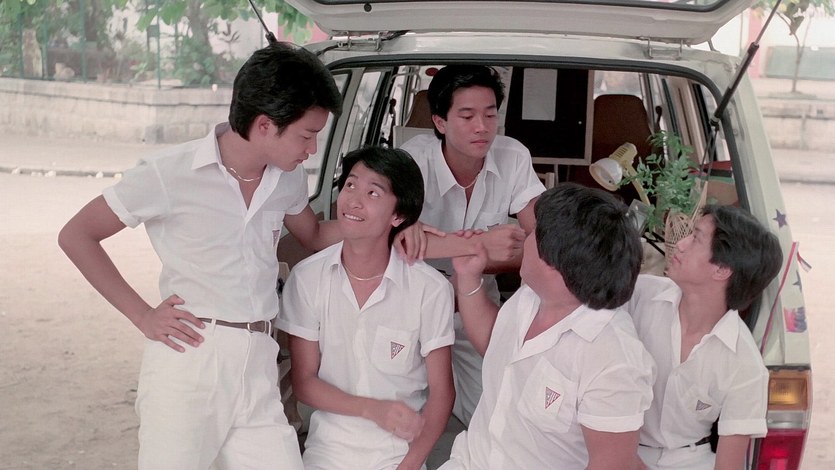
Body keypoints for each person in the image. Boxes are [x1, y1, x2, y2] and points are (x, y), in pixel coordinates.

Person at [58, 42, 344, 470]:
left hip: (259, 361)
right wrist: (142, 315)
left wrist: (391, 225)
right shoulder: (169, 172)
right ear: (265, 125)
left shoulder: (287, 179)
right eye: (306, 135)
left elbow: (316, 235)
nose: (312, 148)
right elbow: (77, 235)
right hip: (191, 360)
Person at [440, 183, 655, 469]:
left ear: (553, 263)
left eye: (533, 233)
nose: (523, 238)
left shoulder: (614, 359)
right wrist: (468, 276)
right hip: (469, 461)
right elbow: (496, 345)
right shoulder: (532, 295)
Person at [278, 146, 455, 470]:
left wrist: (409, 465)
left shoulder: (429, 289)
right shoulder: (307, 278)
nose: (354, 201)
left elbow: (443, 394)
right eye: (350, 185)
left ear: (399, 215)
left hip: (399, 456)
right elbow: (304, 383)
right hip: (326, 455)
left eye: (373, 192)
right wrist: (372, 409)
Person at [399, 64, 544, 425]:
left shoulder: (512, 156)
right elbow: (389, 241)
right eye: (467, 116)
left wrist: (480, 258)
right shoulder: (411, 162)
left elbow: (544, 238)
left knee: (493, 414)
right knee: (403, 410)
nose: (482, 127)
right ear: (440, 122)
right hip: (411, 304)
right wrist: (482, 244)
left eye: (490, 115)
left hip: (476, 304)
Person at [626, 205, 783, 470]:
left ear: (722, 269)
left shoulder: (746, 366)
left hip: (691, 460)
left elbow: (728, 466)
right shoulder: (638, 295)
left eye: (696, 238)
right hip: (614, 447)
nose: (681, 244)